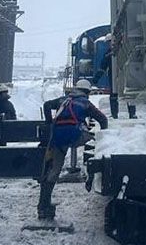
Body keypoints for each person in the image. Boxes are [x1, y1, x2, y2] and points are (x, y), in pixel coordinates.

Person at [37, 79, 107, 220]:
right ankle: (91, 173)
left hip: (57, 136)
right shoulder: (85, 103)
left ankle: (43, 206)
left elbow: (46, 105)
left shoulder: (63, 100)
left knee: (54, 171)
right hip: (76, 136)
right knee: (93, 140)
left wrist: (49, 122)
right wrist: (105, 137)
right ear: (87, 92)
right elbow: (102, 119)